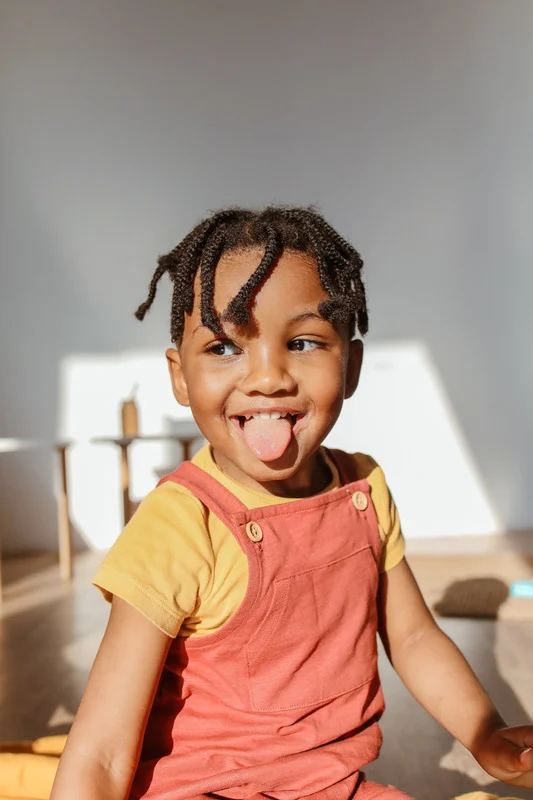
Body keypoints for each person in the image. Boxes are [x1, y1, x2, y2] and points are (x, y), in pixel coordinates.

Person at [51, 207, 533, 800]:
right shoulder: (179, 525)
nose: (268, 378)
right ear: (179, 375)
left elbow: (412, 638)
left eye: (303, 343)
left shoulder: (363, 489)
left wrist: (485, 735)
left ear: (350, 366)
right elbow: (99, 752)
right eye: (225, 347)